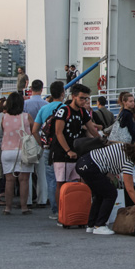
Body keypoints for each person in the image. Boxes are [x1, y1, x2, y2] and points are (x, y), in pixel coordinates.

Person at [76, 142, 135, 235]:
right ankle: (100, 225)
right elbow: (130, 189)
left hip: (83, 162)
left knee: (100, 194)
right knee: (111, 194)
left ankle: (91, 225)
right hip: (91, 166)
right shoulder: (128, 162)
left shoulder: (124, 146)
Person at [51, 83, 98, 213]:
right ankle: (60, 212)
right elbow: (58, 133)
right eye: (81, 98)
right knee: (61, 183)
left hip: (77, 153)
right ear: (73, 96)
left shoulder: (83, 112)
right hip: (62, 154)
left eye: (86, 98)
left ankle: (75, 211)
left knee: (78, 183)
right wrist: (68, 150)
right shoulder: (64, 111)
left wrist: (102, 140)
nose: (84, 101)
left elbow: (92, 129)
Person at [33, 81, 65, 220]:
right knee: (63, 179)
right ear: (63, 93)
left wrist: (41, 144)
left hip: (48, 148)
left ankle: (55, 210)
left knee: (51, 179)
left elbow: (35, 130)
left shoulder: (44, 109)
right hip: (63, 148)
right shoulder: (66, 108)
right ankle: (65, 208)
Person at [0, 92, 35, 215]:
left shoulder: (4, 117)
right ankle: (24, 207)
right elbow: (34, 131)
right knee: (24, 180)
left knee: (9, 181)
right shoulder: (27, 117)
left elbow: (3, 130)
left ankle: (7, 207)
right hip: (23, 151)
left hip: (7, 151)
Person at [23, 79, 48, 209]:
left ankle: (27, 199)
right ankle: (42, 199)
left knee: (27, 171)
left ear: (31, 89)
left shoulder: (25, 103)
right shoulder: (46, 104)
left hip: (28, 138)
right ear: (42, 89)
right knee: (41, 172)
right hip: (42, 138)